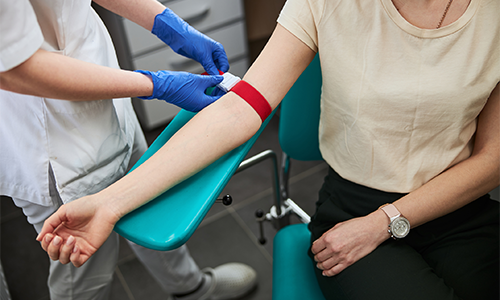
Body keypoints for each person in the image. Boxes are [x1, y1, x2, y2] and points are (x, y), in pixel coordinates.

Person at [35, 0, 500, 299]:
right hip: (356, 208)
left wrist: (388, 222)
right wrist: (108, 202)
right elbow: (243, 109)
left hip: (457, 204)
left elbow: (492, 159)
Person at [0, 0, 258, 299]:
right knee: (85, 272)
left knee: (150, 208)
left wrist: (167, 22)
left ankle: (191, 289)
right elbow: (13, 68)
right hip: (55, 144)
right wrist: (156, 85)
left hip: (106, 94)